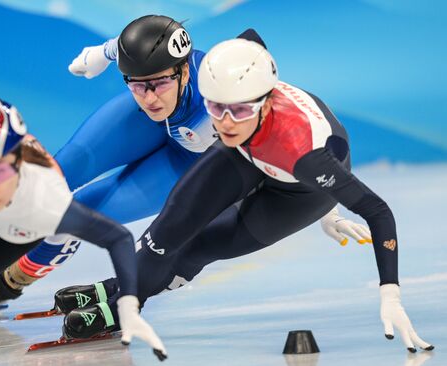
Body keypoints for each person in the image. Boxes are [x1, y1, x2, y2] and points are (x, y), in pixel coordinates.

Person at [0, 16, 370, 313]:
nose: (149, 96)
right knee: (53, 176)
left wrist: (326, 203)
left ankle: (6, 283)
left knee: (83, 211)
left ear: (187, 71)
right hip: (160, 129)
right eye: (136, 85)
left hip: (186, 161)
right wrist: (104, 53)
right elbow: (128, 47)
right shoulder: (149, 83)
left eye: (160, 83)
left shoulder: (223, 93)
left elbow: (290, 137)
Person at [60, 37, 434, 353]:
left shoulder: (302, 151)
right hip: (248, 152)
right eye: (214, 107)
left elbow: (378, 210)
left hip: (297, 193)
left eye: (237, 110)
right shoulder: (231, 81)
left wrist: (390, 294)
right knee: (167, 229)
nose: (224, 122)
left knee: (199, 246)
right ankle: (121, 289)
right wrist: (106, 51)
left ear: (266, 101)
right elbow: (176, 45)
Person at [0, 90, 167, 360]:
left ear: (18, 161)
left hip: (2, 236)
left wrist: (129, 302)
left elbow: (117, 238)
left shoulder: (46, 200)